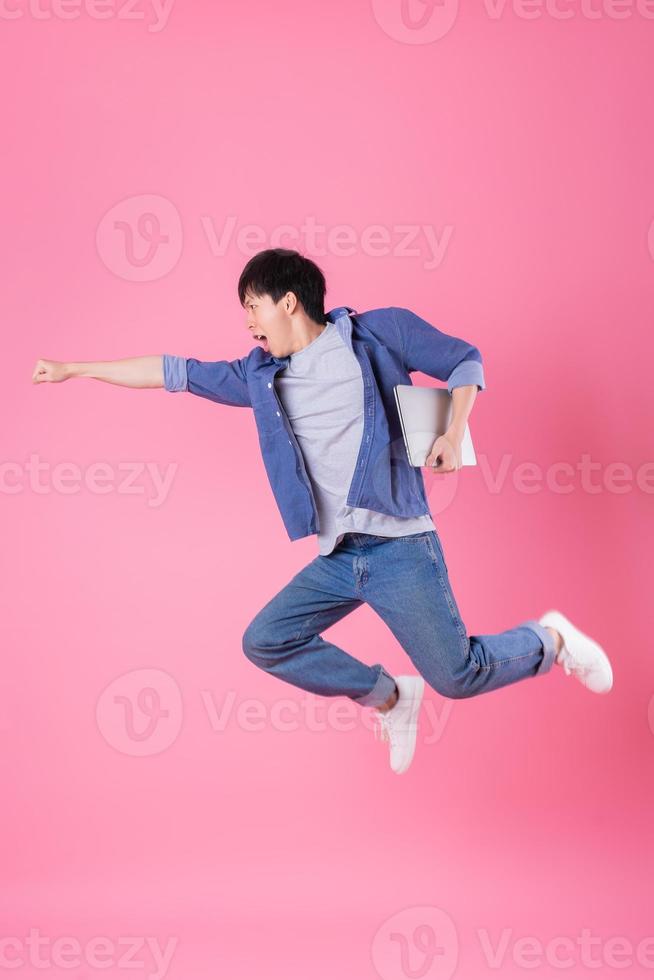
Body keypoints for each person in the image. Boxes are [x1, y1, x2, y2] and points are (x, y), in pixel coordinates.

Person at [31, 248, 614, 775]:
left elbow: (465, 360)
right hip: (339, 556)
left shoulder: (379, 334)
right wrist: (77, 369)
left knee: (457, 676)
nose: (248, 325)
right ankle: (387, 695)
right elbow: (172, 372)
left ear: (289, 301)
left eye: (253, 308)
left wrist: (451, 431)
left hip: (399, 547)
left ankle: (549, 641)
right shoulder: (258, 377)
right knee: (266, 640)